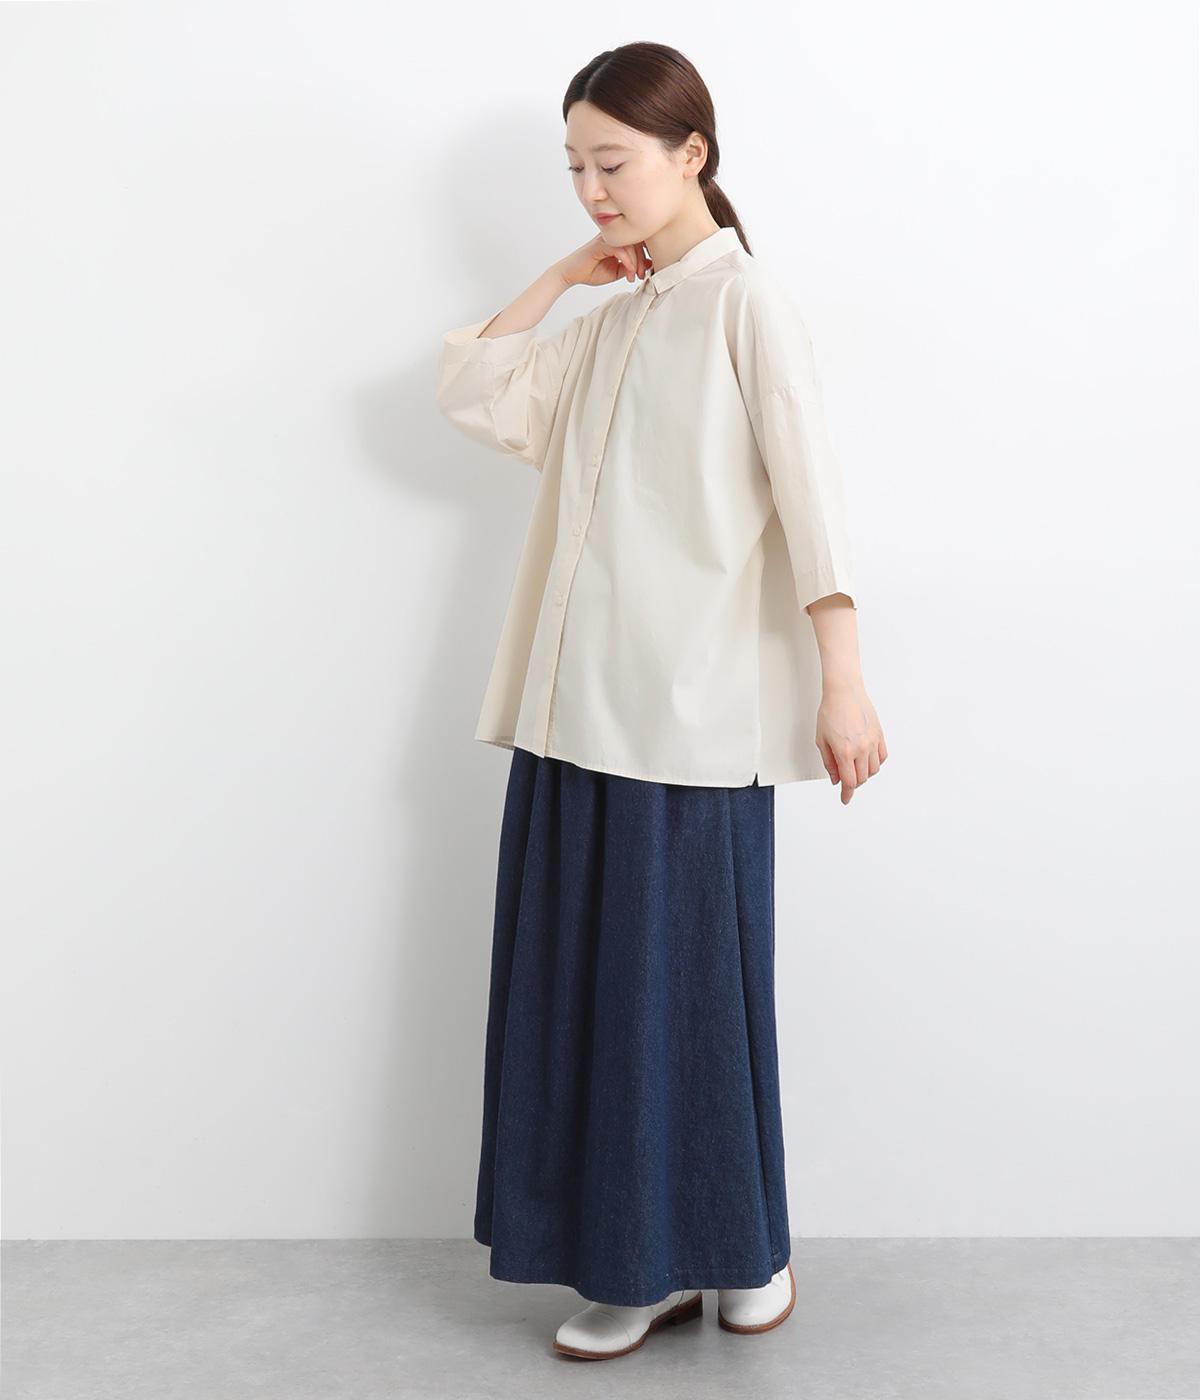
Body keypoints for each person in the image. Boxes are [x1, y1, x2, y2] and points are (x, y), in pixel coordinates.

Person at [435, 42, 887, 1361]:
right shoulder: (612, 320)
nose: (593, 189)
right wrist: (565, 277)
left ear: (693, 154)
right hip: (573, 712)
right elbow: (474, 389)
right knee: (592, 997)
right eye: (576, 167)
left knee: (683, 996)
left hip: (692, 720)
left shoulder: (747, 305)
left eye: (614, 162)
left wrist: (844, 683)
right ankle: (633, 1265)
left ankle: (743, 1250)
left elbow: (813, 500)